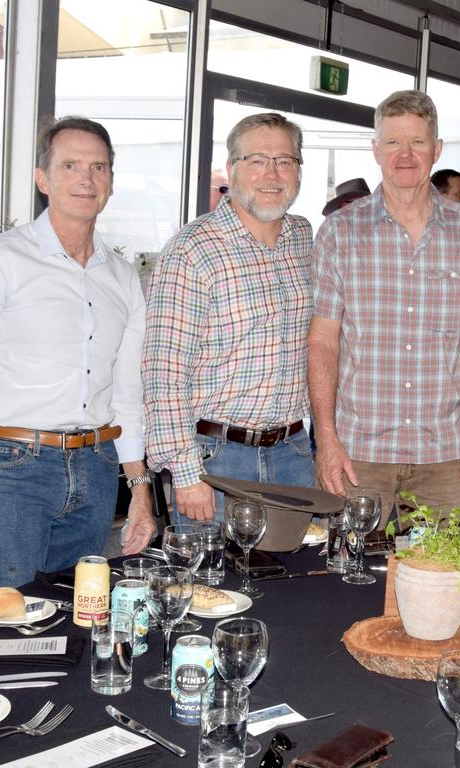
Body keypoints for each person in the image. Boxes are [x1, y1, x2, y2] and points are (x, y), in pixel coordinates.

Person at [0, 116, 155, 596]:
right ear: (42, 178)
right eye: (70, 165)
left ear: (110, 181)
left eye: (99, 167)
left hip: (95, 467)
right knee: (6, 622)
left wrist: (140, 490)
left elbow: (127, 395)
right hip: (12, 468)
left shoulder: (123, 277)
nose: (86, 179)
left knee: (76, 621)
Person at [308, 90, 460, 522]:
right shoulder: (340, 233)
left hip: (447, 456)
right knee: (350, 581)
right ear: (376, 150)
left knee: (437, 582)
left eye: (417, 142)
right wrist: (326, 439)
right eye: (393, 142)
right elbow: (323, 341)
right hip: (359, 454)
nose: (405, 154)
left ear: (436, 150)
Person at [144, 113, 314, 523]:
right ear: (232, 168)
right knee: (212, 585)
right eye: (257, 160)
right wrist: (186, 475)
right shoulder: (191, 250)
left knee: (295, 582)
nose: (272, 173)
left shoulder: (304, 238)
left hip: (292, 452)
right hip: (215, 460)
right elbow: (163, 372)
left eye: (285, 161)